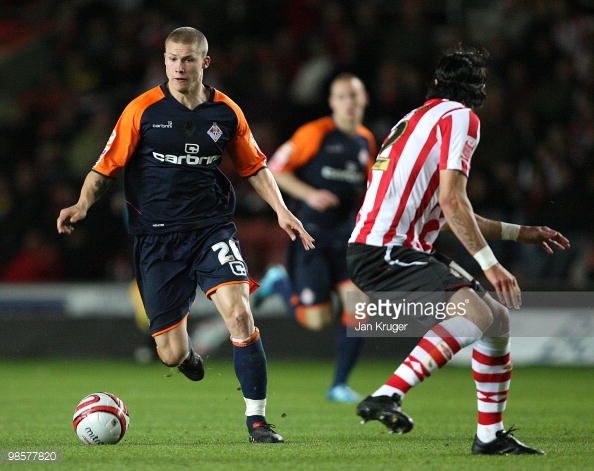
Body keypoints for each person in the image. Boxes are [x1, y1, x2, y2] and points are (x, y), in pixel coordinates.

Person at [57, 26, 314, 444]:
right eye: (173, 58)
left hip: (210, 229)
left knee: (240, 314)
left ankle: (257, 422)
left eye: (189, 59)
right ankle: (188, 354)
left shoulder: (226, 113)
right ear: (164, 61)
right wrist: (83, 203)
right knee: (170, 353)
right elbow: (105, 167)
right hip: (156, 239)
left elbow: (255, 166)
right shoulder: (142, 110)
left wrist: (283, 211)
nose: (180, 66)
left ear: (204, 63)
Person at [346, 46, 570, 454]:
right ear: (479, 91)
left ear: (435, 84)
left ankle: (489, 436)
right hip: (388, 248)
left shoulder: (411, 119)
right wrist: (492, 265)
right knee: (479, 313)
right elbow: (454, 201)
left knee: (495, 321)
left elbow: (451, 213)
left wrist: (523, 233)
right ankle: (388, 394)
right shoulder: (461, 117)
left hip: (382, 246)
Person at [255, 73, 376, 402]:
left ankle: (339, 385)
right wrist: (309, 194)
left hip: (345, 237)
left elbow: (366, 190)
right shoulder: (315, 133)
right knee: (315, 319)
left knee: (360, 307)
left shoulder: (366, 141)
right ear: (332, 103)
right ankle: (279, 282)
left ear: (364, 100)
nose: (349, 102)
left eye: (354, 95)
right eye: (342, 96)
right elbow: (275, 168)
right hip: (310, 235)